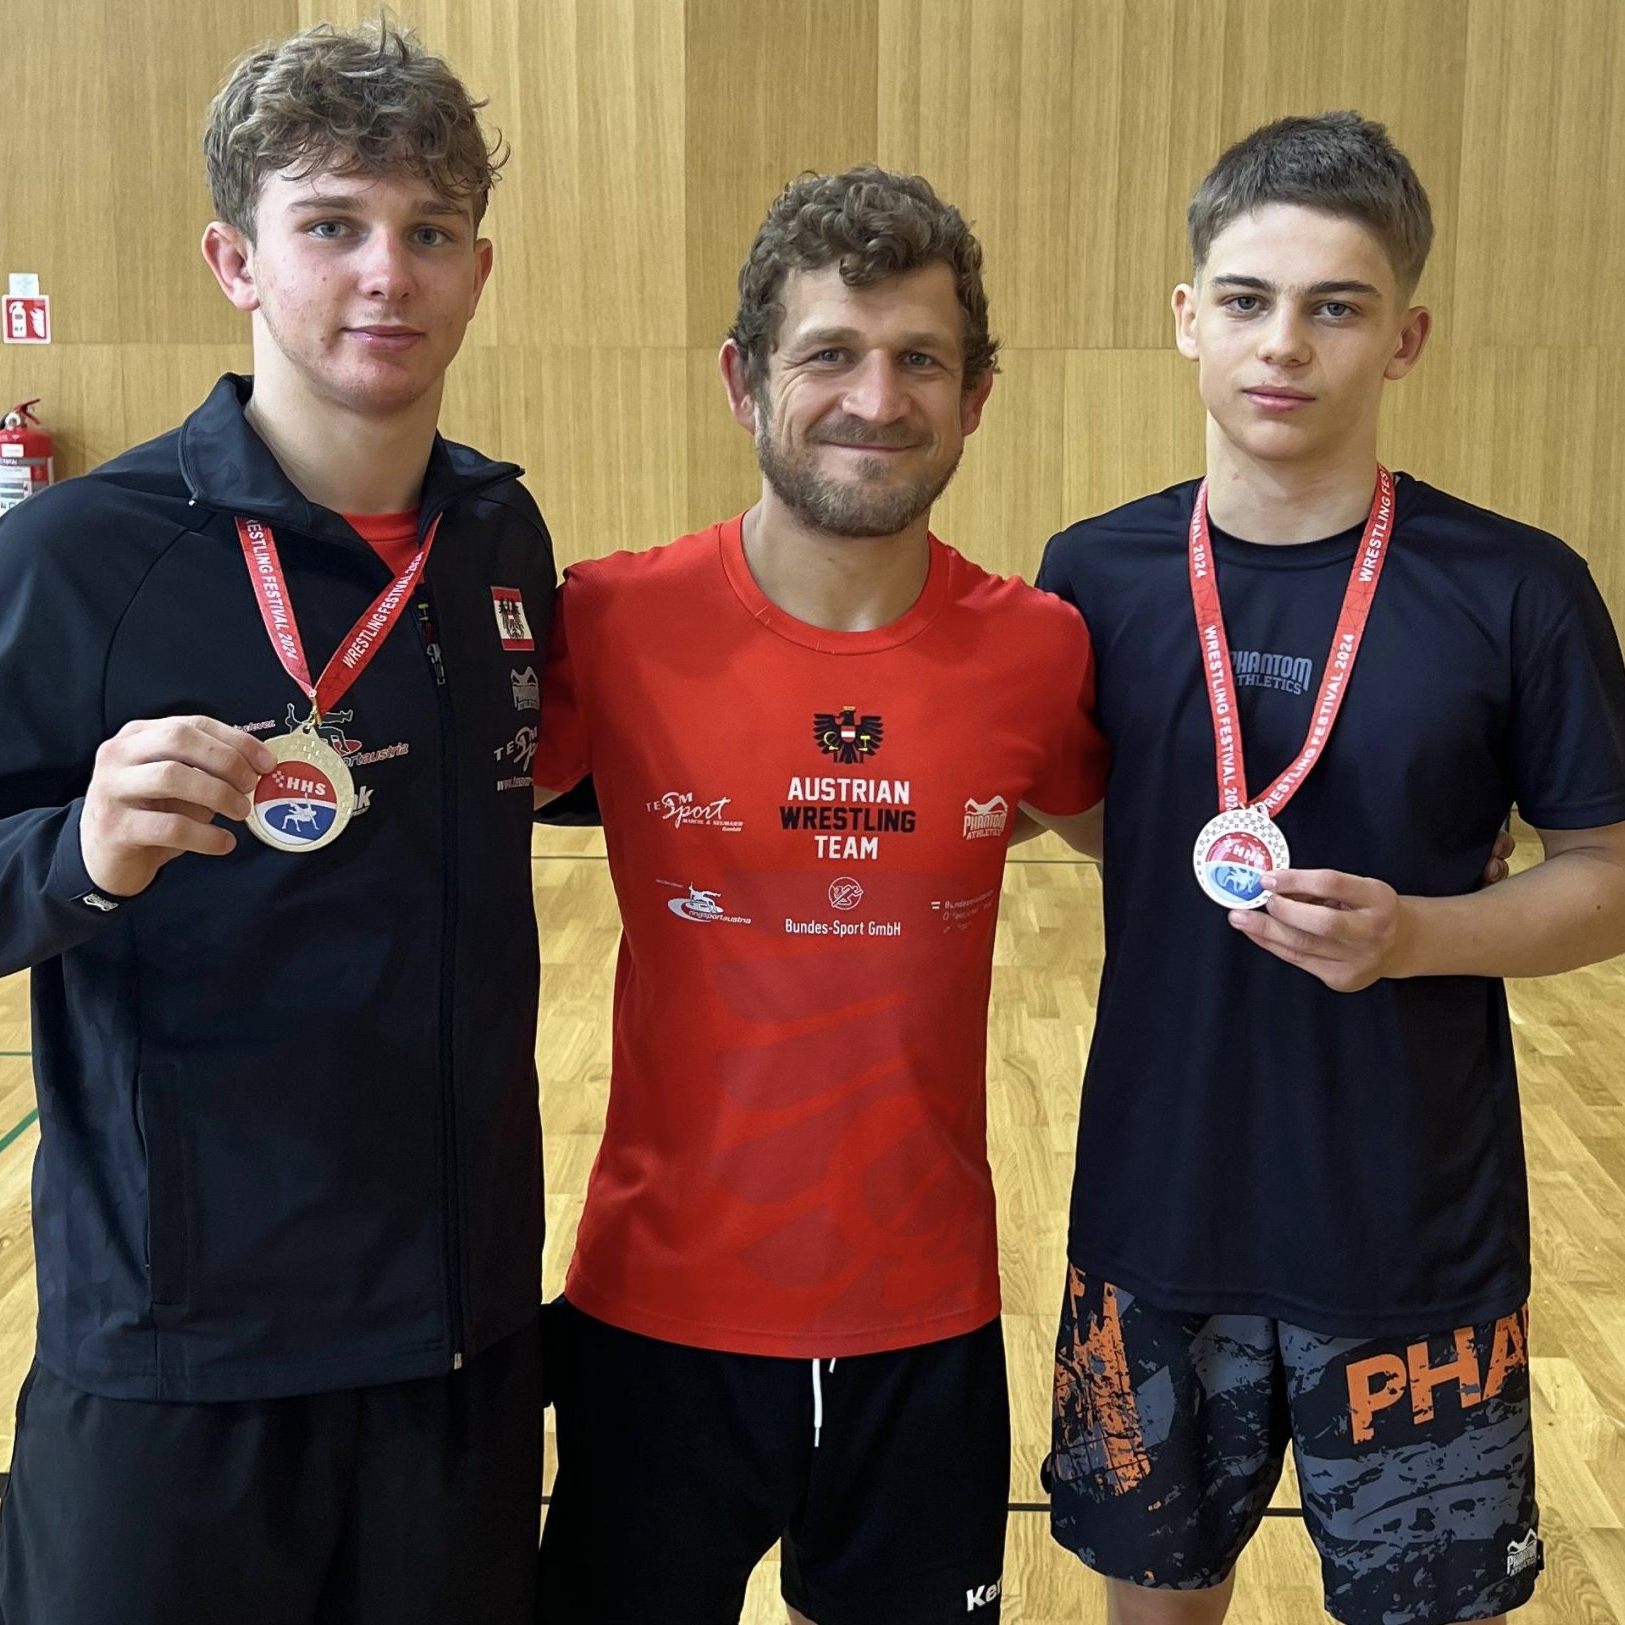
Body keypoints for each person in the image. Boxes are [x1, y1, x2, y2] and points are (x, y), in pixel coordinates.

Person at [1036, 112, 1625, 1625]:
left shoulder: (1516, 587)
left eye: (1334, 306)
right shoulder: (1089, 576)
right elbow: (1098, 814)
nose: (1280, 345)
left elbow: (1606, 874)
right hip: (1155, 1207)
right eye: (1243, 300)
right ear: (1185, 318)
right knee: (1152, 1601)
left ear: (1404, 337)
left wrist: (1417, 934)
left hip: (1406, 1223)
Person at [0, 21, 553, 1623]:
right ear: (235, 258)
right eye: (332, 226)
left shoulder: (496, 535)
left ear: (476, 266)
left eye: (428, 232)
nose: (387, 273)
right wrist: (77, 855)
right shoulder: (81, 561)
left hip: (454, 1351)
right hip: (179, 1365)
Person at [532, 165, 1106, 1624]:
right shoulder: (607, 621)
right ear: (743, 381)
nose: (876, 396)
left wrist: (1414, 844)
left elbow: (1169, 847)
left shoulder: (1038, 651)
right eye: (828, 354)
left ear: (977, 394)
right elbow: (398, 822)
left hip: (924, 1326)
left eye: (919, 358)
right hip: (654, 1317)